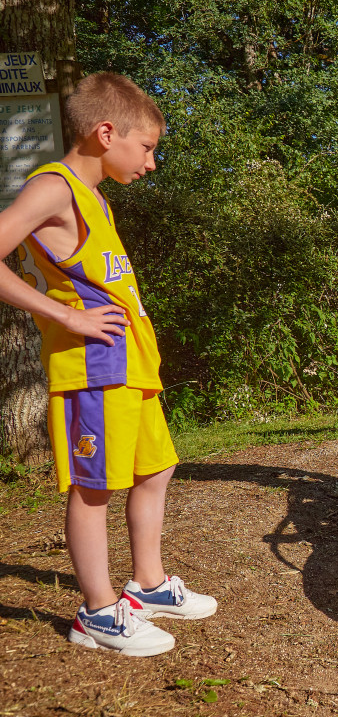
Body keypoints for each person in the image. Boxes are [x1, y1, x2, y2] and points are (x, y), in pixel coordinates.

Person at [0, 72, 217, 656]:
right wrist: (65, 317)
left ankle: (146, 585)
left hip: (131, 363)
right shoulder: (55, 188)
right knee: (95, 488)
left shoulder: (93, 195)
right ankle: (96, 612)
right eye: (146, 148)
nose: (149, 164)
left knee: (157, 468)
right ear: (105, 132)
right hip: (93, 367)